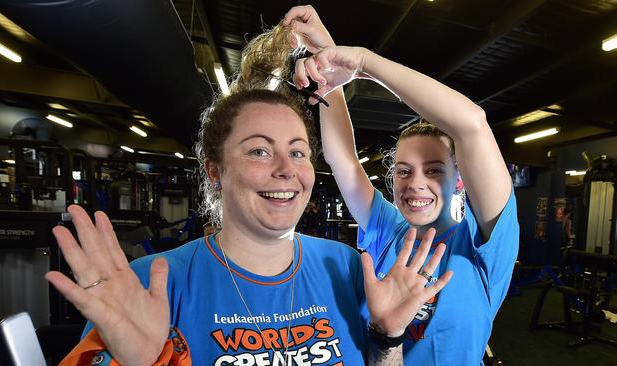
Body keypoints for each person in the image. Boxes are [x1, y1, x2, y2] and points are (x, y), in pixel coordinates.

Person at [46, 26, 453, 364]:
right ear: (215, 170)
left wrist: (388, 338)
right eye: (259, 150)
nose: (285, 169)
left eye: (297, 151)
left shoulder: (344, 266)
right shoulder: (154, 283)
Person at [283, 5, 519, 365]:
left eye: (434, 170)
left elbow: (471, 122)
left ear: (459, 180)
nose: (416, 184)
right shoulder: (386, 230)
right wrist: (326, 55)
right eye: (405, 171)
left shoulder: (482, 245)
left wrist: (364, 63)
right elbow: (344, 159)